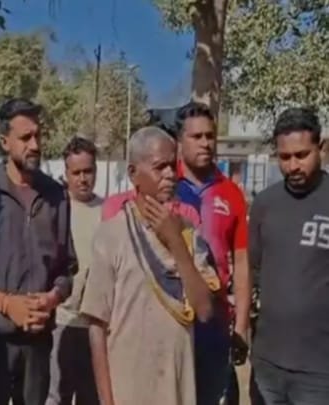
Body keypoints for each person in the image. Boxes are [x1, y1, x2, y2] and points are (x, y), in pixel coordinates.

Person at [81, 126, 219, 405]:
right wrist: (107, 400)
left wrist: (176, 243)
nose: (170, 174)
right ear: (133, 174)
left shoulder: (188, 233)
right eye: (159, 167)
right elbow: (97, 327)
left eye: (172, 166)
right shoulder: (112, 235)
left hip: (176, 389)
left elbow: (204, 311)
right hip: (129, 390)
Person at [0, 98, 77, 405]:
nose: (35, 145)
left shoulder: (56, 196)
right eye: (25, 137)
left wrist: (52, 298)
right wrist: (6, 303)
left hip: (39, 343)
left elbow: (67, 269)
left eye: (38, 136)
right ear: (5, 141)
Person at [249, 107, 329, 404]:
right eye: (284, 157)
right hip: (267, 366)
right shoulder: (264, 204)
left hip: (320, 372)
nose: (293, 165)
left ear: (322, 148)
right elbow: (253, 270)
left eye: (302, 155)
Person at [174, 102, 251, 405]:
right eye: (196, 136)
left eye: (210, 136)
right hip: (172, 318)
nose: (205, 143)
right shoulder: (164, 184)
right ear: (180, 140)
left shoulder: (231, 193)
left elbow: (241, 262)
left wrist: (241, 324)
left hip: (214, 322)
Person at [47, 137, 101, 405]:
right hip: (61, 322)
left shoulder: (109, 212)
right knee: (57, 396)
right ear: (66, 173)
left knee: (91, 397)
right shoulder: (54, 209)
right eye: (76, 172)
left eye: (87, 171)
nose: (82, 179)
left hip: (96, 326)